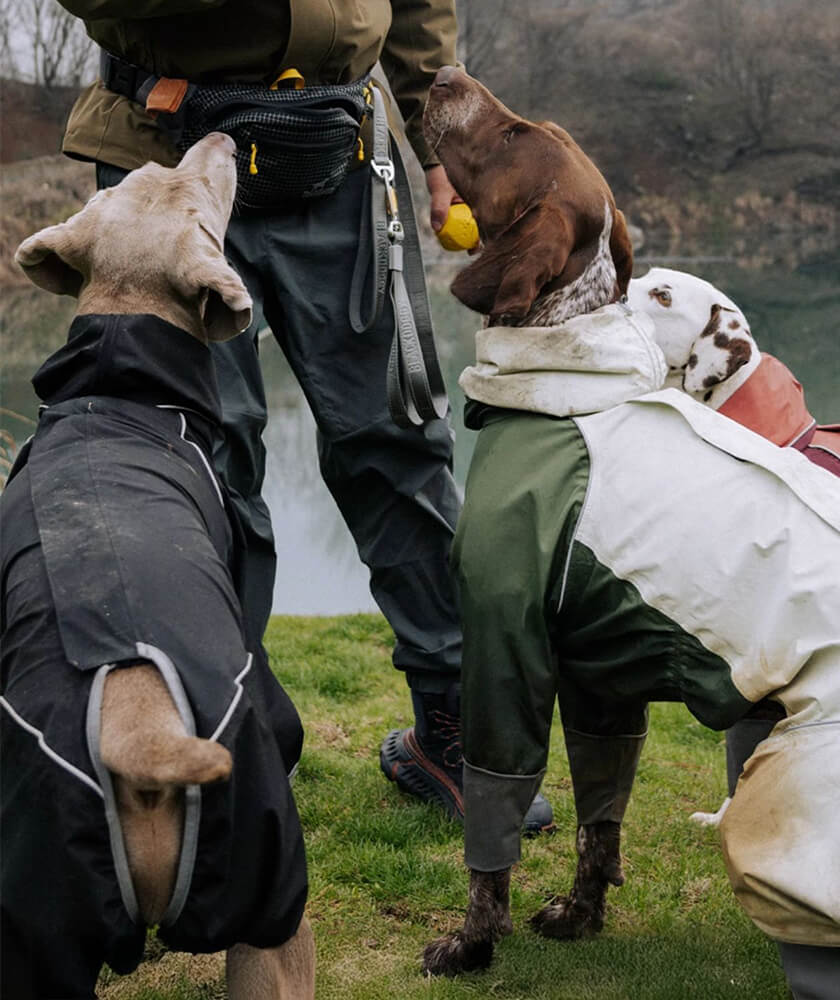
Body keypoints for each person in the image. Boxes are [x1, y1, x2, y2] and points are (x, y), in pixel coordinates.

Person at [54, 0, 552, 832]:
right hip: (166, 154)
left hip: (344, 151)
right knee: (202, 457)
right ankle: (220, 738)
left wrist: (435, 150)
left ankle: (452, 735)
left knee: (399, 438)